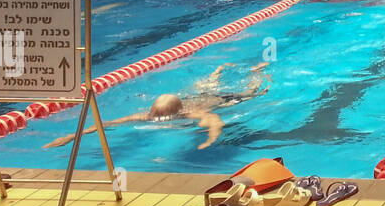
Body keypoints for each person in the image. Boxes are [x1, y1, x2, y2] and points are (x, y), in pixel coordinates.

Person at [46, 62, 271, 151]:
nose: (153, 118)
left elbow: (214, 120)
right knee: (205, 84)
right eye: (154, 114)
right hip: (198, 95)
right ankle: (218, 71)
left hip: (218, 98)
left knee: (254, 93)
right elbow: (107, 123)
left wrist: (210, 139)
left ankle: (257, 71)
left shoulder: (192, 112)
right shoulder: (148, 115)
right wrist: (73, 136)